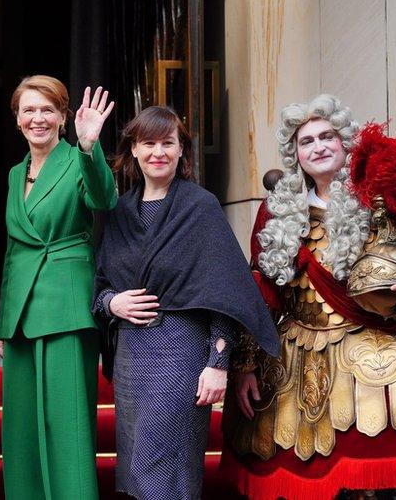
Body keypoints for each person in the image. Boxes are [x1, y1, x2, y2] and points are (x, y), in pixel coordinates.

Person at [223, 94, 396, 499]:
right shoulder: (275, 212)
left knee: (391, 468)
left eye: (328, 136)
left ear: (346, 143)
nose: (319, 147)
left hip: (375, 343)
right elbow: (262, 293)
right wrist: (246, 365)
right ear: (295, 155)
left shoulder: (380, 197)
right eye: (307, 141)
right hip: (298, 349)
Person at [92, 106, 279, 499]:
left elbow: (224, 294)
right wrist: (112, 304)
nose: (158, 152)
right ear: (134, 151)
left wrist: (217, 364)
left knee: (163, 465)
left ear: (182, 152)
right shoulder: (120, 210)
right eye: (148, 144)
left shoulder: (200, 207)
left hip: (181, 349)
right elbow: (101, 284)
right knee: (136, 468)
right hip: (131, 355)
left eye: (167, 143)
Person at [0, 75, 117, 500]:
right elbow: (14, 249)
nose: (38, 118)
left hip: (66, 308)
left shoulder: (76, 158)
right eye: (28, 110)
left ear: (64, 117)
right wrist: (4, 323)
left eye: (47, 109)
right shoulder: (14, 174)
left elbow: (104, 199)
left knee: (69, 428)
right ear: (17, 120)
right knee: (22, 431)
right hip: (23, 316)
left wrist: (89, 147)